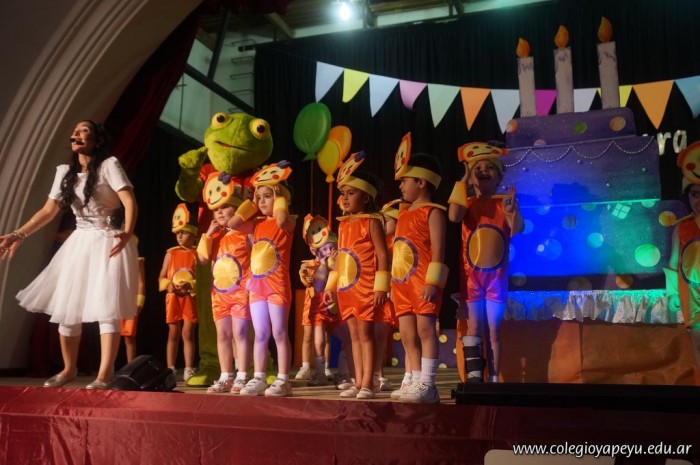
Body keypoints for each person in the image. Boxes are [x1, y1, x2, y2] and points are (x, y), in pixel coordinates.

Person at [0, 119, 139, 389]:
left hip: (108, 240)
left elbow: (129, 201)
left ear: (97, 140)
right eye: (75, 130)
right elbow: (48, 210)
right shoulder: (65, 172)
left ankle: (105, 374)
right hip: (79, 243)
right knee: (67, 305)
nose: (76, 133)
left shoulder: (109, 165)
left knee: (107, 308)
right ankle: (68, 369)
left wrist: (127, 232)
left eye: (84, 130)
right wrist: (18, 234)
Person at [447, 142, 523, 384]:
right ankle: (474, 378)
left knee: (494, 330)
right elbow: (453, 216)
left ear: (499, 175)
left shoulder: (504, 202)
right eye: (477, 168)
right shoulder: (467, 203)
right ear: (471, 176)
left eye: (489, 167)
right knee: (474, 329)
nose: (483, 171)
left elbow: (517, 230)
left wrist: (511, 212)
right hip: (472, 279)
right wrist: (462, 182)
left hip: (496, 280)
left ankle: (494, 379)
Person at [227, 161, 297, 397]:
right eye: (260, 197)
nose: (263, 201)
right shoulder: (256, 224)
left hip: (277, 286)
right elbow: (232, 223)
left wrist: (279, 198)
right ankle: (258, 377)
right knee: (261, 334)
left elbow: (281, 220)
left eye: (268, 196)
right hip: (257, 287)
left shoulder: (289, 221)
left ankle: (283, 379)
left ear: (281, 198)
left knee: (279, 332)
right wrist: (252, 203)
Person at [324, 152, 390, 400]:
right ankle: (358, 380)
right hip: (347, 288)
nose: (344, 198)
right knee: (352, 337)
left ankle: (368, 384)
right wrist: (330, 285)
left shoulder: (372, 222)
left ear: (366, 197)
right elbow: (341, 258)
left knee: (365, 335)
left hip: (365, 287)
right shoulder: (343, 224)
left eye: (351, 193)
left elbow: (383, 254)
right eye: (343, 193)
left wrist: (381, 287)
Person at [391, 137, 447, 403]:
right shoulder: (402, 213)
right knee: (407, 335)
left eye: (405, 181)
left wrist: (432, 282)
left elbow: (439, 249)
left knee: (425, 331)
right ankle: (412, 379)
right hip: (401, 283)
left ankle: (428, 384)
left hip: (422, 281)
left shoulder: (433, 212)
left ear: (421, 182)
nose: (400, 185)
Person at [197, 173, 252, 394]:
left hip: (240, 292)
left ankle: (242, 376)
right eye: (216, 209)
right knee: (222, 335)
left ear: (236, 209)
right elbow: (202, 259)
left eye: (225, 207)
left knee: (240, 334)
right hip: (219, 295)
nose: (219, 212)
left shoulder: (245, 233)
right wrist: (208, 234)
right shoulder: (215, 237)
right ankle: (225, 376)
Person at [158, 203, 198, 381]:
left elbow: (203, 279)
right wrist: (168, 285)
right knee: (173, 333)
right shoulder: (171, 253)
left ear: (193, 234)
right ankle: (171, 368)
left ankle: (189, 368)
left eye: (185, 232)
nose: (180, 237)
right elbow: (162, 276)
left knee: (188, 333)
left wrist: (192, 285)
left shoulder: (197, 253)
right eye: (178, 233)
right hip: (173, 298)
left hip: (190, 298)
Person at [298, 215, 339, 386]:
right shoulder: (309, 264)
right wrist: (305, 277)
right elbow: (306, 280)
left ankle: (329, 368)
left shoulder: (336, 262)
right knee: (312, 337)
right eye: (325, 248)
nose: (328, 252)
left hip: (332, 304)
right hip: (314, 304)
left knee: (330, 338)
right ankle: (308, 367)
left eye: (331, 248)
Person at [665, 177, 700, 375]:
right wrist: (673, 293)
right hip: (693, 297)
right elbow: (673, 262)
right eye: (695, 194)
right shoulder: (681, 227)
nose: (699, 200)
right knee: (698, 342)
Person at [121, 255, 146, 363]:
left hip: (130, 302)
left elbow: (141, 283)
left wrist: (139, 303)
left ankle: (130, 366)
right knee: (110, 335)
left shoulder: (137, 261)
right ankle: (108, 367)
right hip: (114, 301)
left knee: (129, 336)